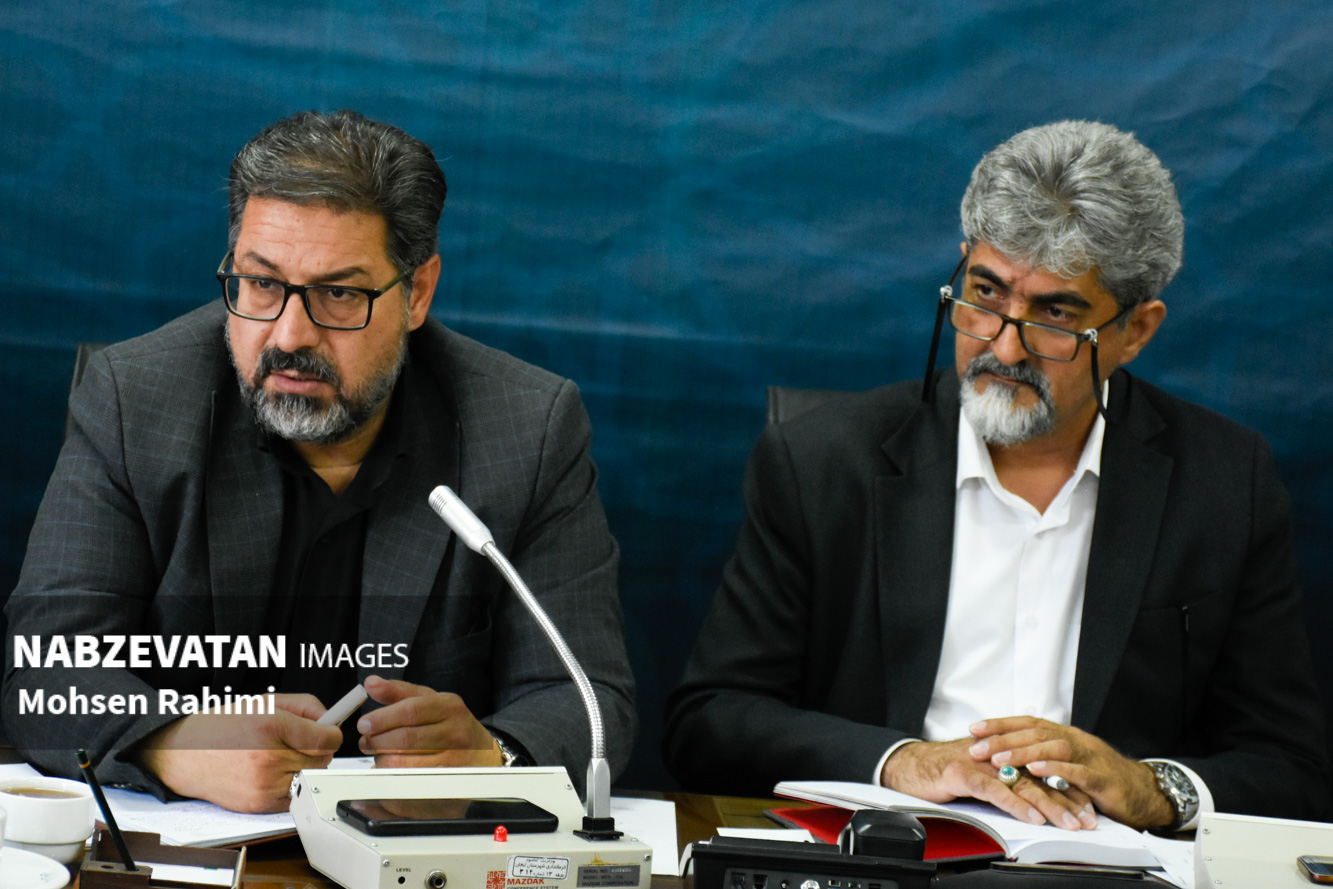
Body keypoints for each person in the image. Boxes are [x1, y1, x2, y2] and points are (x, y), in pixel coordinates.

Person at [663, 120, 1329, 831]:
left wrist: (1148, 786)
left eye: (1055, 313)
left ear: (1135, 331)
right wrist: (906, 762)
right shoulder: (823, 463)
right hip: (890, 855)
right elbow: (710, 723)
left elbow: (1290, 768)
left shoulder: (1224, 483)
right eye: (984, 294)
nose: (1004, 348)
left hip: (1105, 863)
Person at [3, 110, 635, 813]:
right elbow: (45, 671)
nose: (289, 335)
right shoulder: (138, 400)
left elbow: (588, 700)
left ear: (417, 293)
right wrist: (178, 745)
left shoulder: (525, 428)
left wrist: (491, 758)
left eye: (339, 293)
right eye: (261, 283)